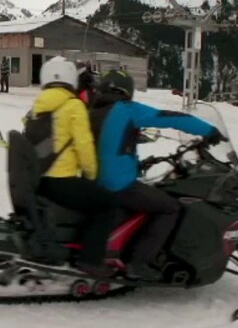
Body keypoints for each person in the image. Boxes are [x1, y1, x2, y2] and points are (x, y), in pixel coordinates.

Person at [90, 70, 223, 281]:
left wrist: (137, 165)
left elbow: (111, 149)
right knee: (170, 207)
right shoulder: (125, 110)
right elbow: (167, 118)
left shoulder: (91, 111)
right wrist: (208, 130)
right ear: (127, 91)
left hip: (93, 182)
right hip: (117, 185)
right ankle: (139, 262)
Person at [27, 56, 116, 277]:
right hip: (61, 180)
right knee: (106, 203)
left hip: (39, 179)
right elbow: (84, 145)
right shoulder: (73, 105)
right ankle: (91, 260)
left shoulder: (37, 106)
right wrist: (91, 175)